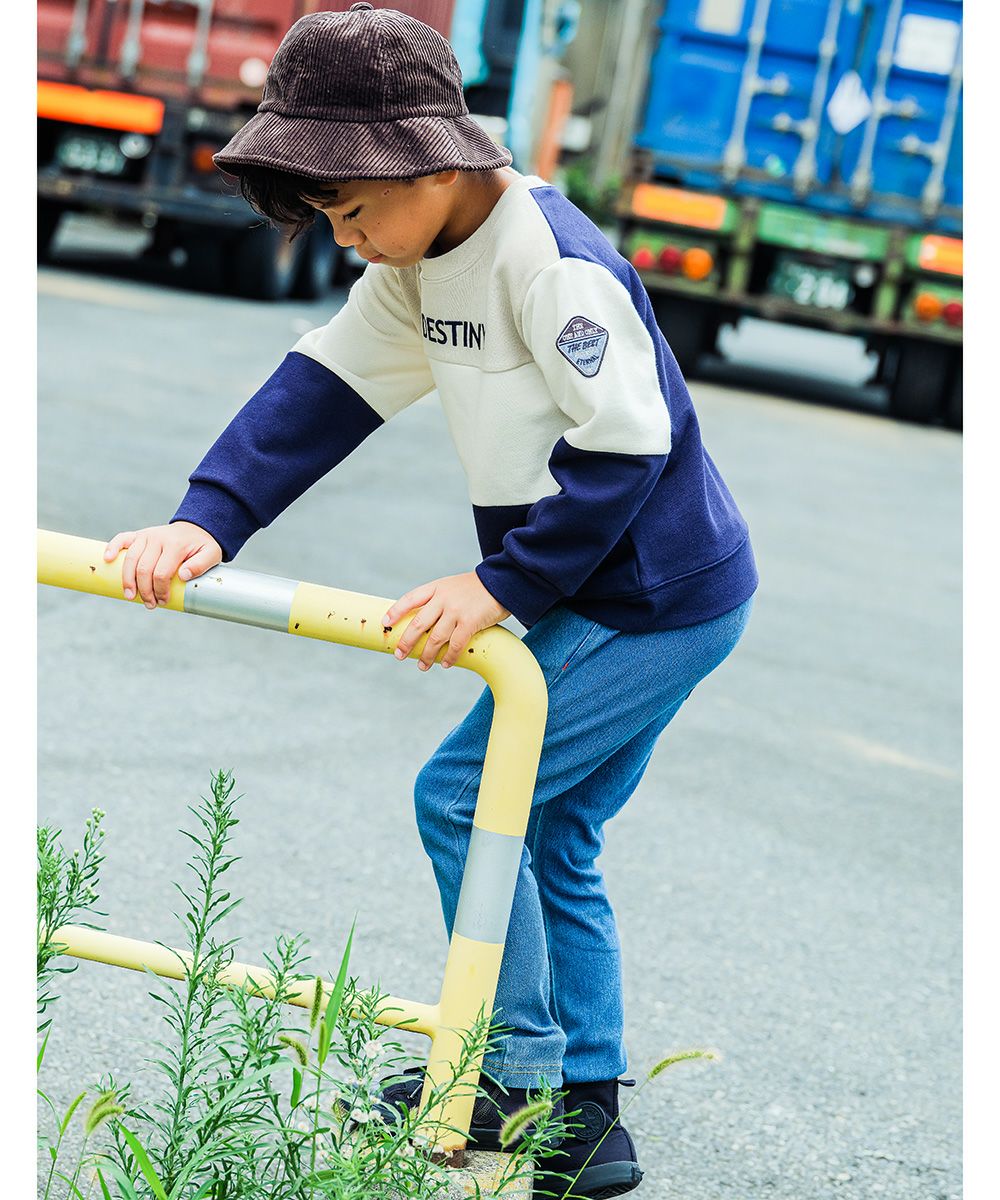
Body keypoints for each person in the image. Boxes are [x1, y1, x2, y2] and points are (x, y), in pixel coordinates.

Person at [103, 5, 758, 1196]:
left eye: (354, 209)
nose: (346, 238)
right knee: (549, 827)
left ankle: (519, 1077)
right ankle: (575, 1106)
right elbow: (323, 389)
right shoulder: (413, 261)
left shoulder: (547, 259)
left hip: (654, 596)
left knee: (463, 797)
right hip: (598, 588)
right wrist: (208, 518)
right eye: (328, 217)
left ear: (435, 157)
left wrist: (498, 586)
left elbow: (628, 448)